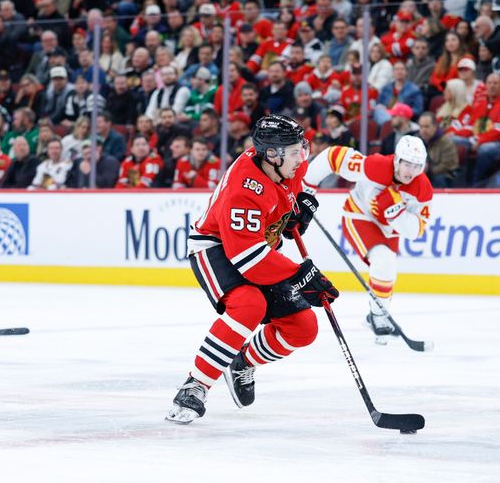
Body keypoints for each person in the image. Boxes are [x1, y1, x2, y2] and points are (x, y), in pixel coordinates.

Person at [166, 115, 339, 424]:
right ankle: (195, 385)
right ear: (271, 155)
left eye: (302, 148)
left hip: (260, 248)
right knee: (249, 304)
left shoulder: (284, 164)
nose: (302, 157)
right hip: (217, 247)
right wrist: (302, 276)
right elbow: (247, 258)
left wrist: (298, 208)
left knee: (303, 328)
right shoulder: (243, 188)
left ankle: (243, 360)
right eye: (295, 150)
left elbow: (294, 191)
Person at [302, 137, 432, 340]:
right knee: (382, 259)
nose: (411, 171)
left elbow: (415, 231)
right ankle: (379, 315)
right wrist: (307, 184)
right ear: (397, 160)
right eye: (407, 164)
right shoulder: (376, 166)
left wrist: (395, 213)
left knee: (387, 267)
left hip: (389, 227)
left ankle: (379, 314)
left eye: (417, 166)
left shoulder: (422, 188)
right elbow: (333, 156)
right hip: (359, 215)